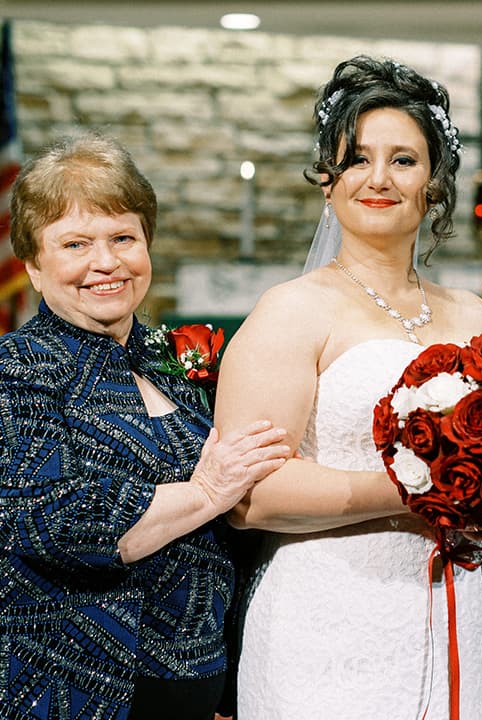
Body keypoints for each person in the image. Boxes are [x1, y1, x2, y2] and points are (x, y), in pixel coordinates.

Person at [213, 56, 482, 719]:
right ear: (326, 181)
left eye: (403, 160)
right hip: (325, 625)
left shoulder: (474, 315)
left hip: (455, 610)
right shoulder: (290, 311)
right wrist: (421, 492)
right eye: (356, 159)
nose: (378, 178)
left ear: (434, 184)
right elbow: (248, 495)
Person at [0, 131, 291, 720]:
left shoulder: (175, 361)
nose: (105, 262)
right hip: (75, 690)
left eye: (123, 238)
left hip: (204, 681)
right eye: (75, 243)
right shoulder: (15, 371)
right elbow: (62, 525)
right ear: (33, 266)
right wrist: (208, 490)